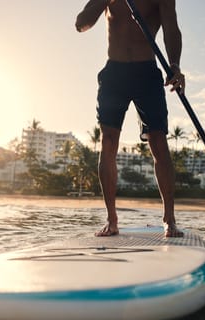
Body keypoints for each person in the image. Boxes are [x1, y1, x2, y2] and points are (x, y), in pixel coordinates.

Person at [76, 0, 185, 237]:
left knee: (158, 142)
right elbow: (81, 24)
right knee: (108, 142)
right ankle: (112, 219)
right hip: (114, 72)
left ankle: (169, 218)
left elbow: (171, 28)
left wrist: (175, 65)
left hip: (147, 72)